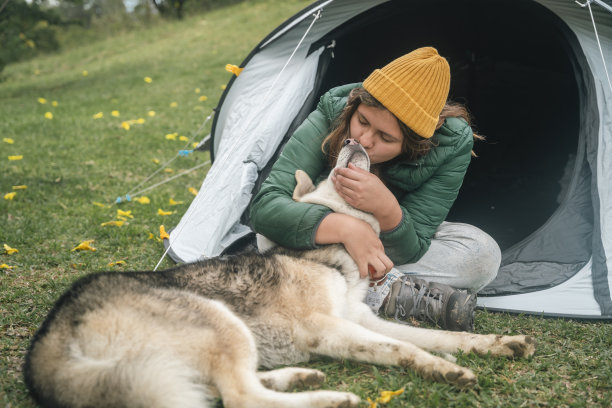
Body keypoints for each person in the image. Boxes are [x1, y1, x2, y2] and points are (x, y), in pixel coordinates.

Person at [249, 47, 501, 331]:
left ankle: (332, 283)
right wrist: (347, 228)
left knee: (482, 254)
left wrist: (387, 210)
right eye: (362, 121)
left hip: (388, 242)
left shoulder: (451, 143)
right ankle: (391, 292)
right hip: (326, 226)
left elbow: (413, 245)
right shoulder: (334, 106)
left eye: (386, 137)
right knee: (267, 238)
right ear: (354, 106)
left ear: (413, 144)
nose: (364, 139)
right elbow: (264, 207)